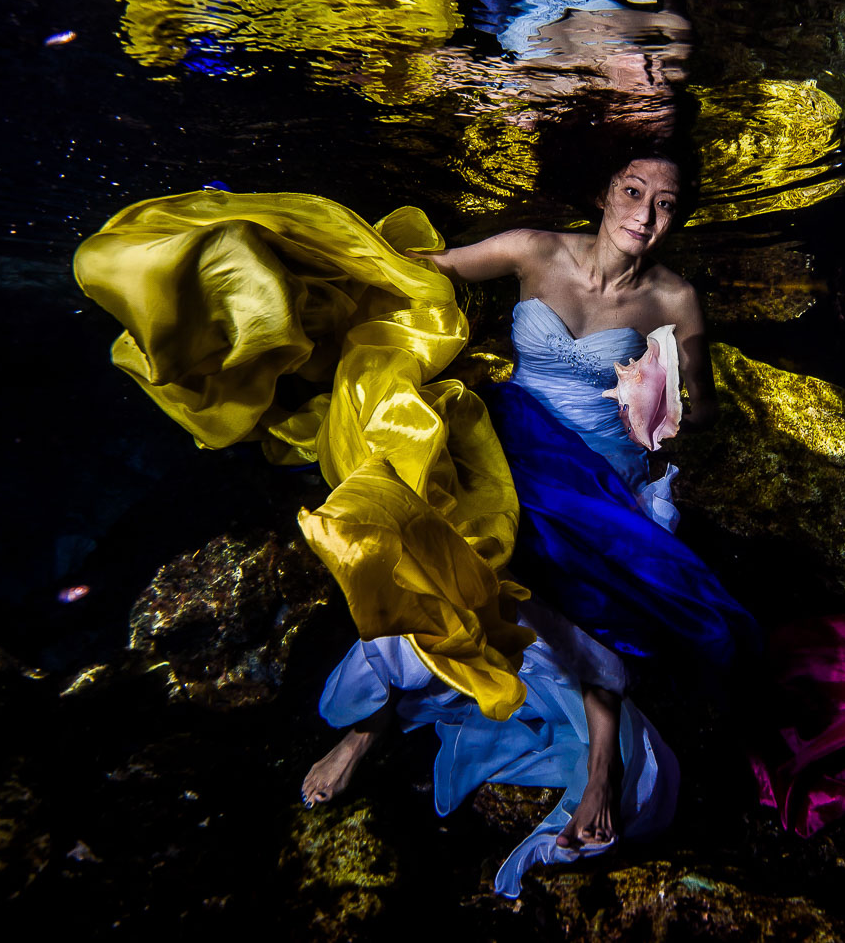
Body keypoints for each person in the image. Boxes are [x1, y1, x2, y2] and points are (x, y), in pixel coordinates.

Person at [298, 151, 755, 872]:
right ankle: (373, 725)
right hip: (512, 443)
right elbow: (433, 267)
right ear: (606, 193)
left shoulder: (676, 297)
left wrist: (663, 401)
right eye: (633, 192)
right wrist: (327, 270)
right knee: (437, 540)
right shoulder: (534, 249)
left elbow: (702, 407)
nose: (644, 213)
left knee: (588, 582)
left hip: (603, 469)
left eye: (665, 204)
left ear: (678, 218)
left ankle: (602, 763)